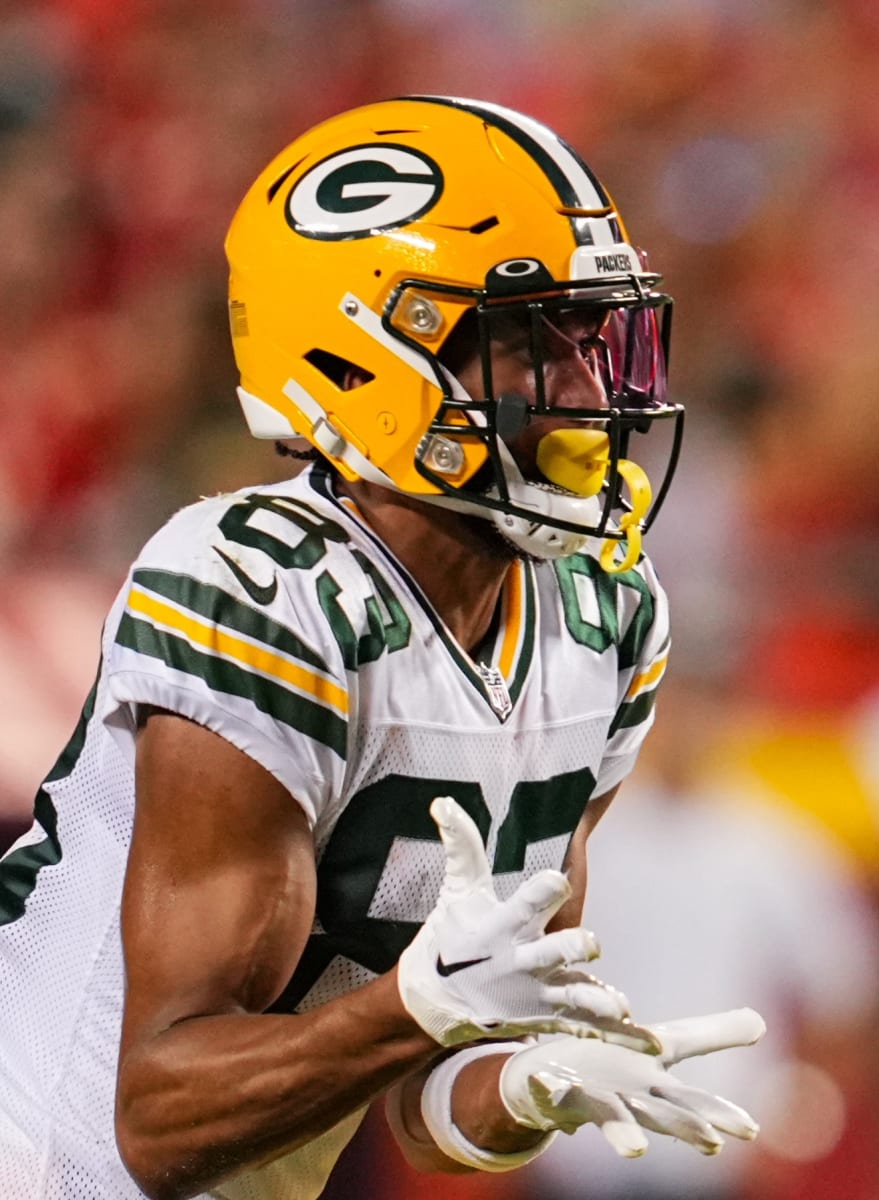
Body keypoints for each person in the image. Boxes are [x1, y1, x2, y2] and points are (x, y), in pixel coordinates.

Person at [0, 96, 764, 1200]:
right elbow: (160, 1110)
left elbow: (428, 1099)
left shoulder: (603, 617)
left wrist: (531, 1083)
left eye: (591, 338)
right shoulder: (261, 588)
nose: (592, 392)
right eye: (531, 347)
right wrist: (415, 1010)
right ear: (364, 356)